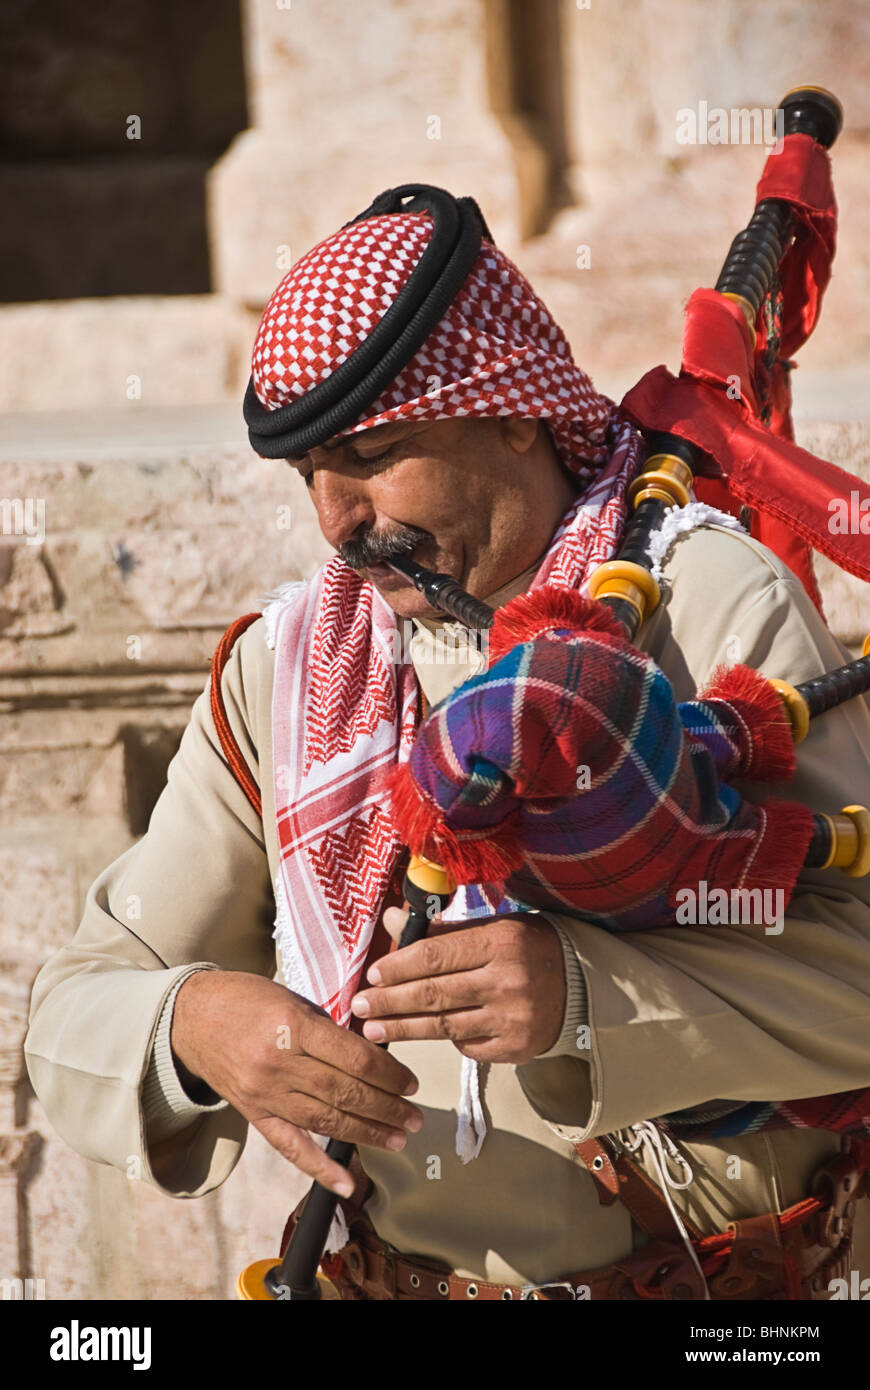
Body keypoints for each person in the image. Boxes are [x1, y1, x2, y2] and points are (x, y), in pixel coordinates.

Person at [25, 187, 870, 1301]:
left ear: (512, 412)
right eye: (309, 476)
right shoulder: (290, 674)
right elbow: (77, 1003)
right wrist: (197, 1024)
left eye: (373, 453)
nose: (336, 520)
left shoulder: (706, 604)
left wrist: (581, 995)